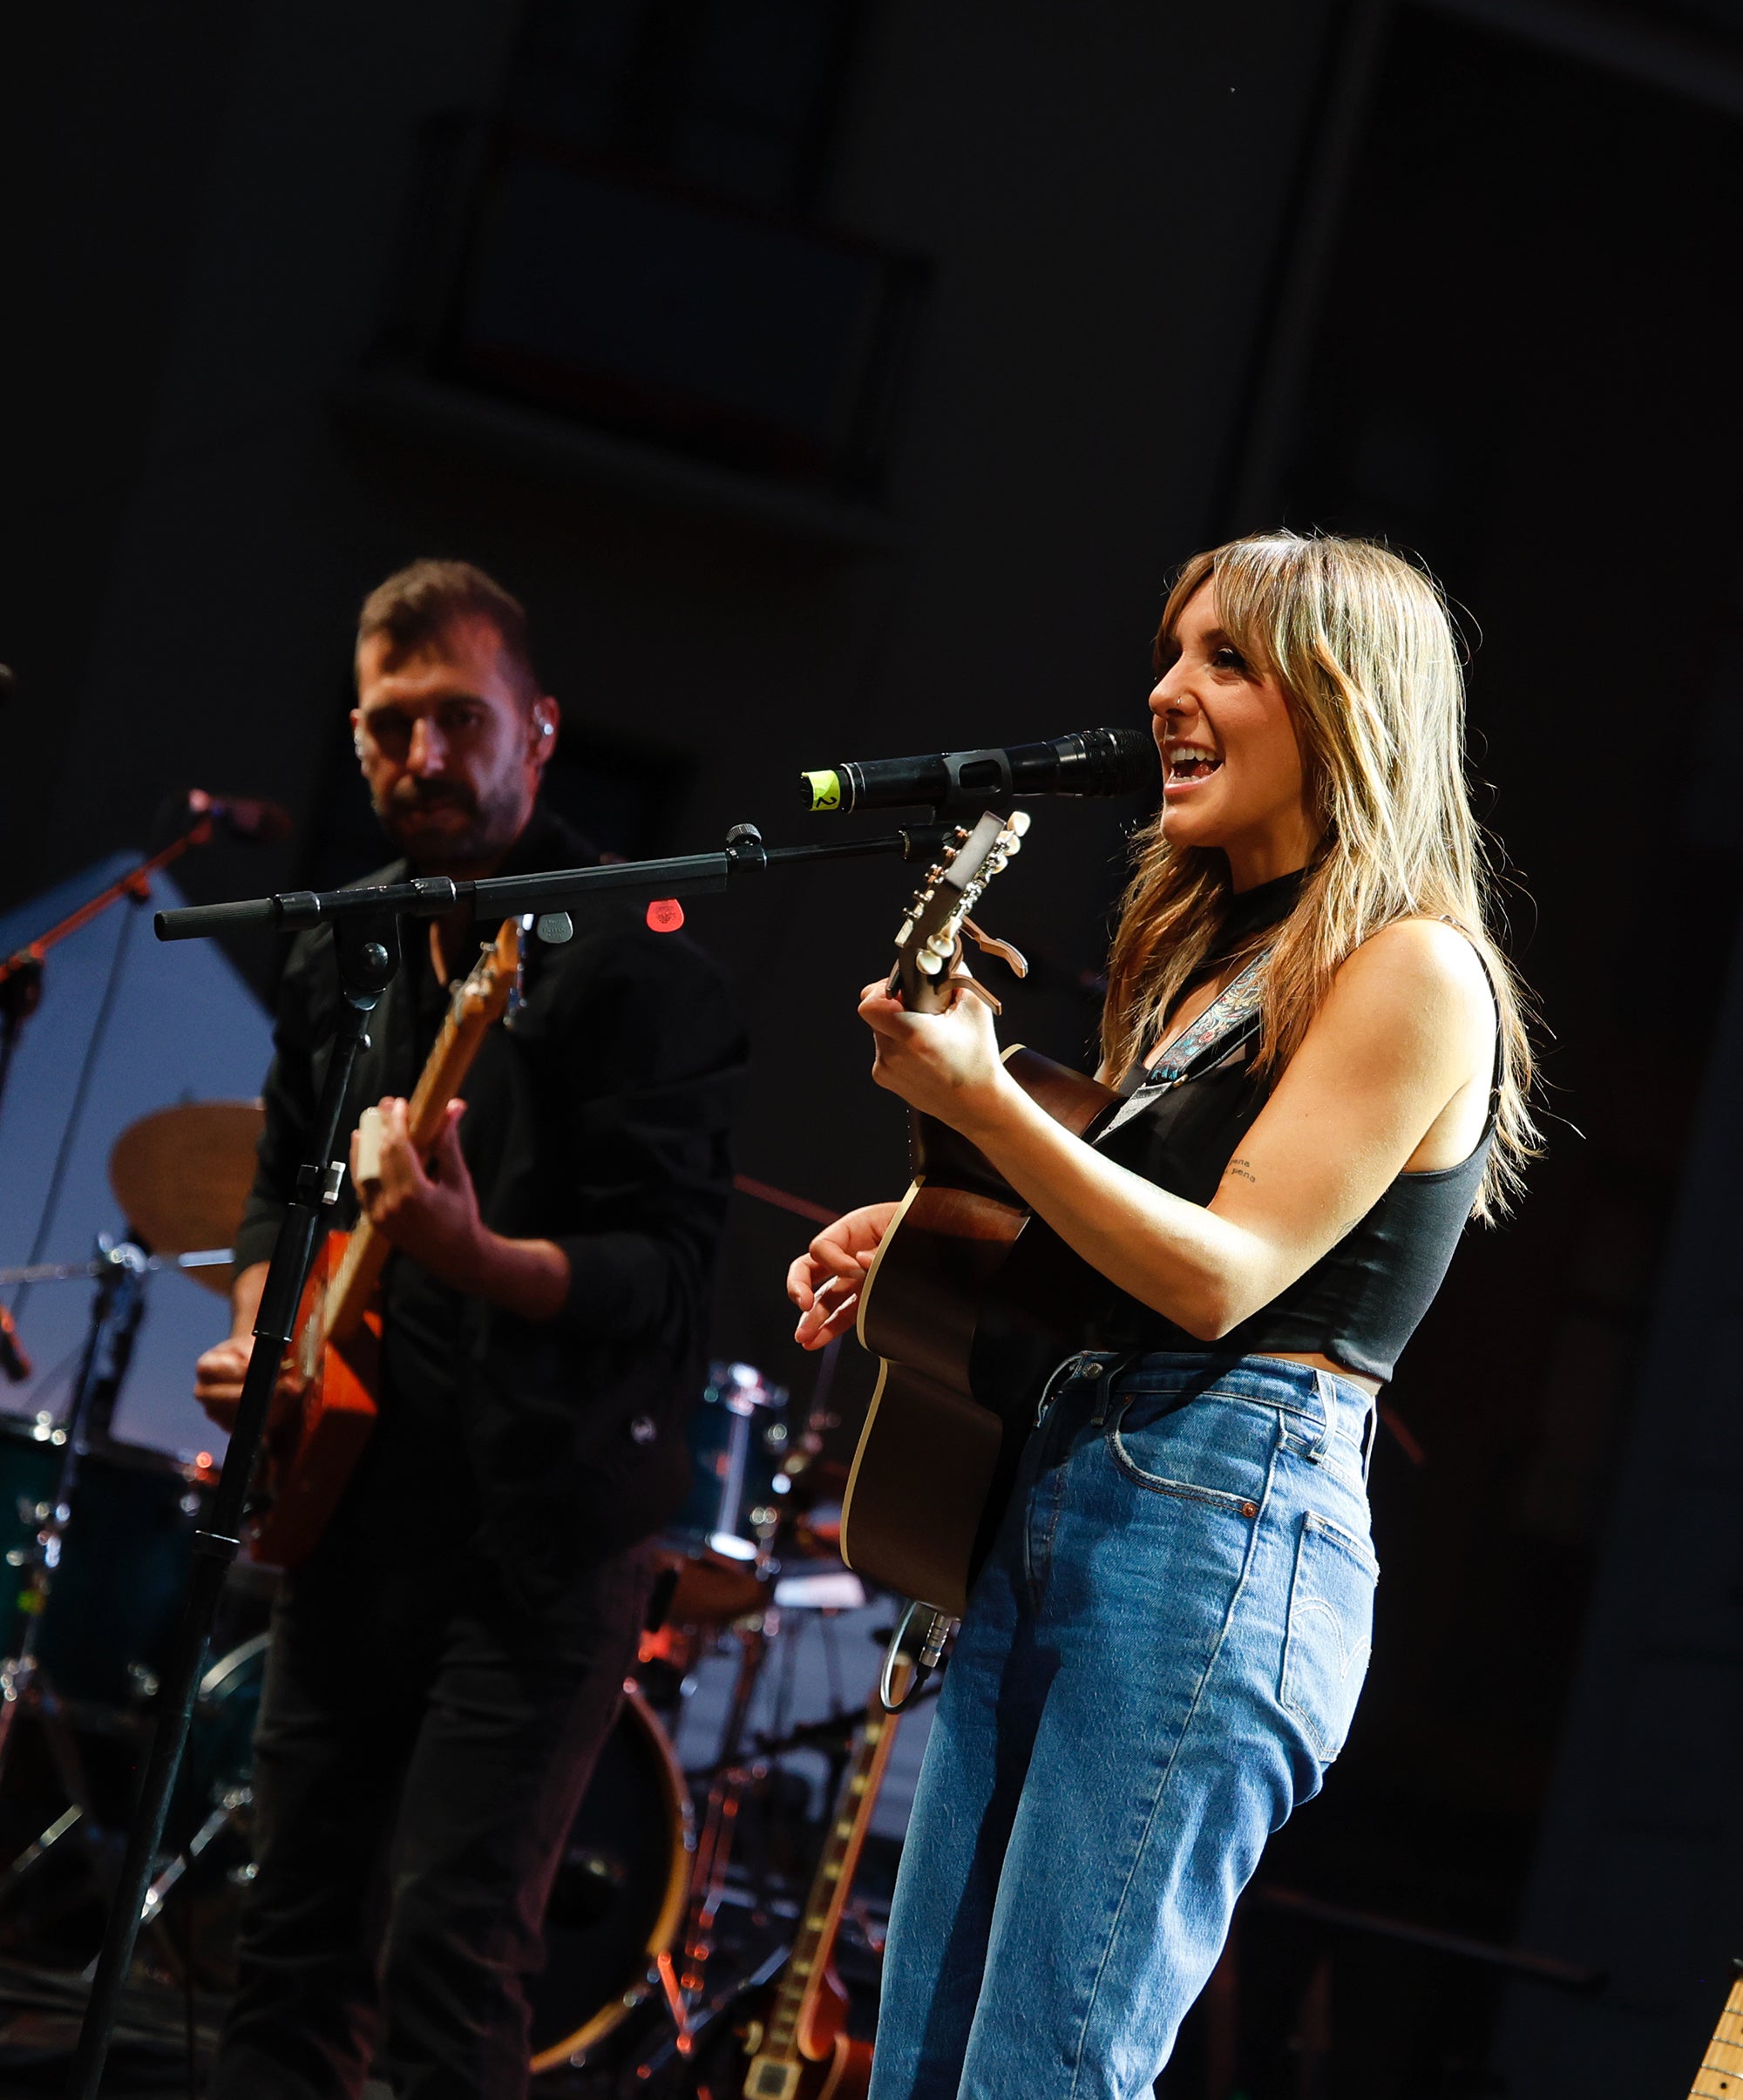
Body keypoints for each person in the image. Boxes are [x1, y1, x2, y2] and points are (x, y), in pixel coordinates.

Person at [787, 533, 1535, 2099]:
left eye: (1225, 661)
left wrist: (991, 1108)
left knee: (1043, 2078)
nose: (1165, 692)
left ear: (1343, 704)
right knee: (917, 2071)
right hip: (1075, 1484)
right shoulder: (1224, 960)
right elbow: (1114, 1244)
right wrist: (927, 1229)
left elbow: (1221, 1272)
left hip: (1221, 1521)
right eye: (1171, 649)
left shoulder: (1415, 969)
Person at [194, 559, 744, 2100]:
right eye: (388, 727)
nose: (421, 759)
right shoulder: (342, 941)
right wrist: (272, 1350)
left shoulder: (644, 971)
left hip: (541, 1536)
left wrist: (477, 1255)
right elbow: (273, 1205)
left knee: (449, 1958)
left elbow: (667, 1287)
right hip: (348, 1508)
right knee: (287, 1940)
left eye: (457, 720)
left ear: (540, 728)